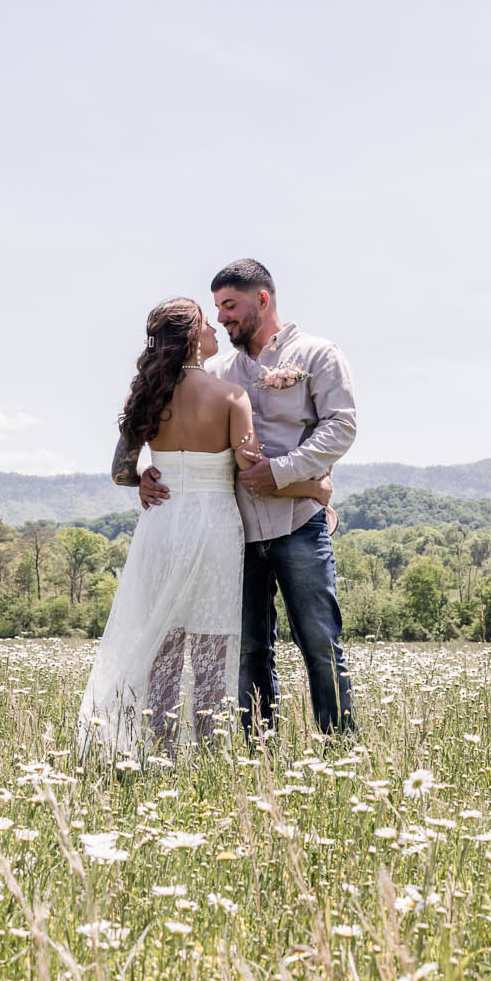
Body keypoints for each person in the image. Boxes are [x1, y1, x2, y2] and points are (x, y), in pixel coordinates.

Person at [80, 297, 332, 756]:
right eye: (207, 323)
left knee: (166, 645)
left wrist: (144, 479)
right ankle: (211, 755)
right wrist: (314, 491)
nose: (217, 329)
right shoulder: (231, 397)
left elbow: (120, 471)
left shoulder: (145, 397)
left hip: (163, 524)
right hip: (214, 528)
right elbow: (254, 477)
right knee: (216, 643)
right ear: (194, 336)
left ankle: (160, 753)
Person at [129, 260, 357, 736]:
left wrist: (283, 473)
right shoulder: (217, 370)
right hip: (232, 530)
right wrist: (145, 474)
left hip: (297, 523)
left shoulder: (317, 353)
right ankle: (259, 751)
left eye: (230, 306)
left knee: (319, 640)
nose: (223, 317)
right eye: (216, 309)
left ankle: (341, 749)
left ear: (263, 300)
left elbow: (341, 427)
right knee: (250, 648)